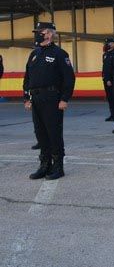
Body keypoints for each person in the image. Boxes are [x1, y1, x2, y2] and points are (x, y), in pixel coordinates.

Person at [23, 22, 76, 180]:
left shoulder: (60, 54)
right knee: (41, 134)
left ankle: (58, 166)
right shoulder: (34, 54)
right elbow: (27, 78)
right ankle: (44, 165)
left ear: (50, 34)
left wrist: (64, 99)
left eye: (41, 31)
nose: (38, 34)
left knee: (54, 133)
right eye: (37, 31)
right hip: (36, 99)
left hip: (52, 99)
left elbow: (69, 78)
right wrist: (26, 97)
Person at [101, 38, 114, 121]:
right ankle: (112, 114)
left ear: (113, 43)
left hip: (112, 79)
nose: (107, 44)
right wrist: (105, 77)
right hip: (106, 79)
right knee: (110, 98)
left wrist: (110, 79)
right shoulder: (105, 54)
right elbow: (105, 67)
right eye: (106, 43)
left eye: (109, 43)